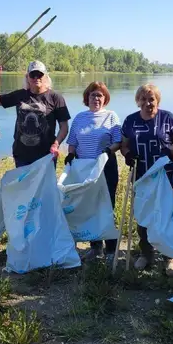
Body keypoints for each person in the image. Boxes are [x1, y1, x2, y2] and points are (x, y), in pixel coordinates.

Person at [121, 83, 173, 273]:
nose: (148, 103)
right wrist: (127, 155)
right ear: (138, 101)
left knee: (166, 216)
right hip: (142, 176)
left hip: (165, 176)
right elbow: (124, 145)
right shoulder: (130, 121)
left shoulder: (167, 118)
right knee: (143, 216)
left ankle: (169, 258)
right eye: (144, 99)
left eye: (152, 99)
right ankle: (146, 254)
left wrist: (169, 150)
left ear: (157, 100)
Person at [65, 81, 122, 263]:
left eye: (100, 95)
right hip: (85, 169)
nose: (96, 98)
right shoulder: (80, 118)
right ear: (86, 98)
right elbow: (72, 142)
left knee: (107, 206)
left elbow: (118, 141)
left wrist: (108, 151)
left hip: (106, 167)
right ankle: (95, 248)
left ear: (105, 98)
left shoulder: (111, 116)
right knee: (90, 206)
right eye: (93, 95)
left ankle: (111, 248)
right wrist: (71, 155)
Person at [0, 60, 71, 167]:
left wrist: (56, 144)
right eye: (33, 75)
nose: (36, 78)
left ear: (45, 76)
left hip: (46, 155)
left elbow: (64, 127)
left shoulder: (56, 98)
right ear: (27, 77)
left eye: (39, 74)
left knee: (44, 184)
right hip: (22, 155)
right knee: (24, 184)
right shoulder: (20, 95)